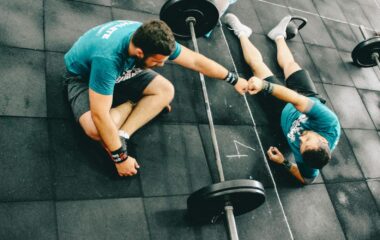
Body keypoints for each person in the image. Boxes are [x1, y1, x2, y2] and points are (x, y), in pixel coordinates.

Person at [64, 19, 248, 177]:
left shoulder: (153, 38)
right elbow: (100, 115)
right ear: (140, 53)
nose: (161, 65)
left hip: (124, 71)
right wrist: (120, 159)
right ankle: (131, 103)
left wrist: (233, 79)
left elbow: (196, 61)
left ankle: (123, 134)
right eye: (157, 61)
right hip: (84, 77)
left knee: (166, 90)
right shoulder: (108, 59)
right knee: (96, 130)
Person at [223, 14, 341, 184]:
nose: (301, 138)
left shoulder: (309, 158)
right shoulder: (329, 123)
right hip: (304, 97)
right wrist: (265, 86)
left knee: (257, 67)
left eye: (301, 144)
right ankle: (278, 36)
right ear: (323, 140)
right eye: (307, 139)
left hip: (282, 112)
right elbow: (296, 99)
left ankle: (241, 33)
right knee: (290, 66)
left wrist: (284, 162)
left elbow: (307, 180)